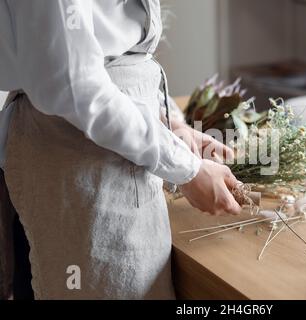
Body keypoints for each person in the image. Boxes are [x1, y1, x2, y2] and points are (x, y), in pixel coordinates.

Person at [0, 0, 241, 299]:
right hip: (76, 162)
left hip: (105, 157)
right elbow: (72, 85)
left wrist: (169, 124)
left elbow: (120, 56)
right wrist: (187, 170)